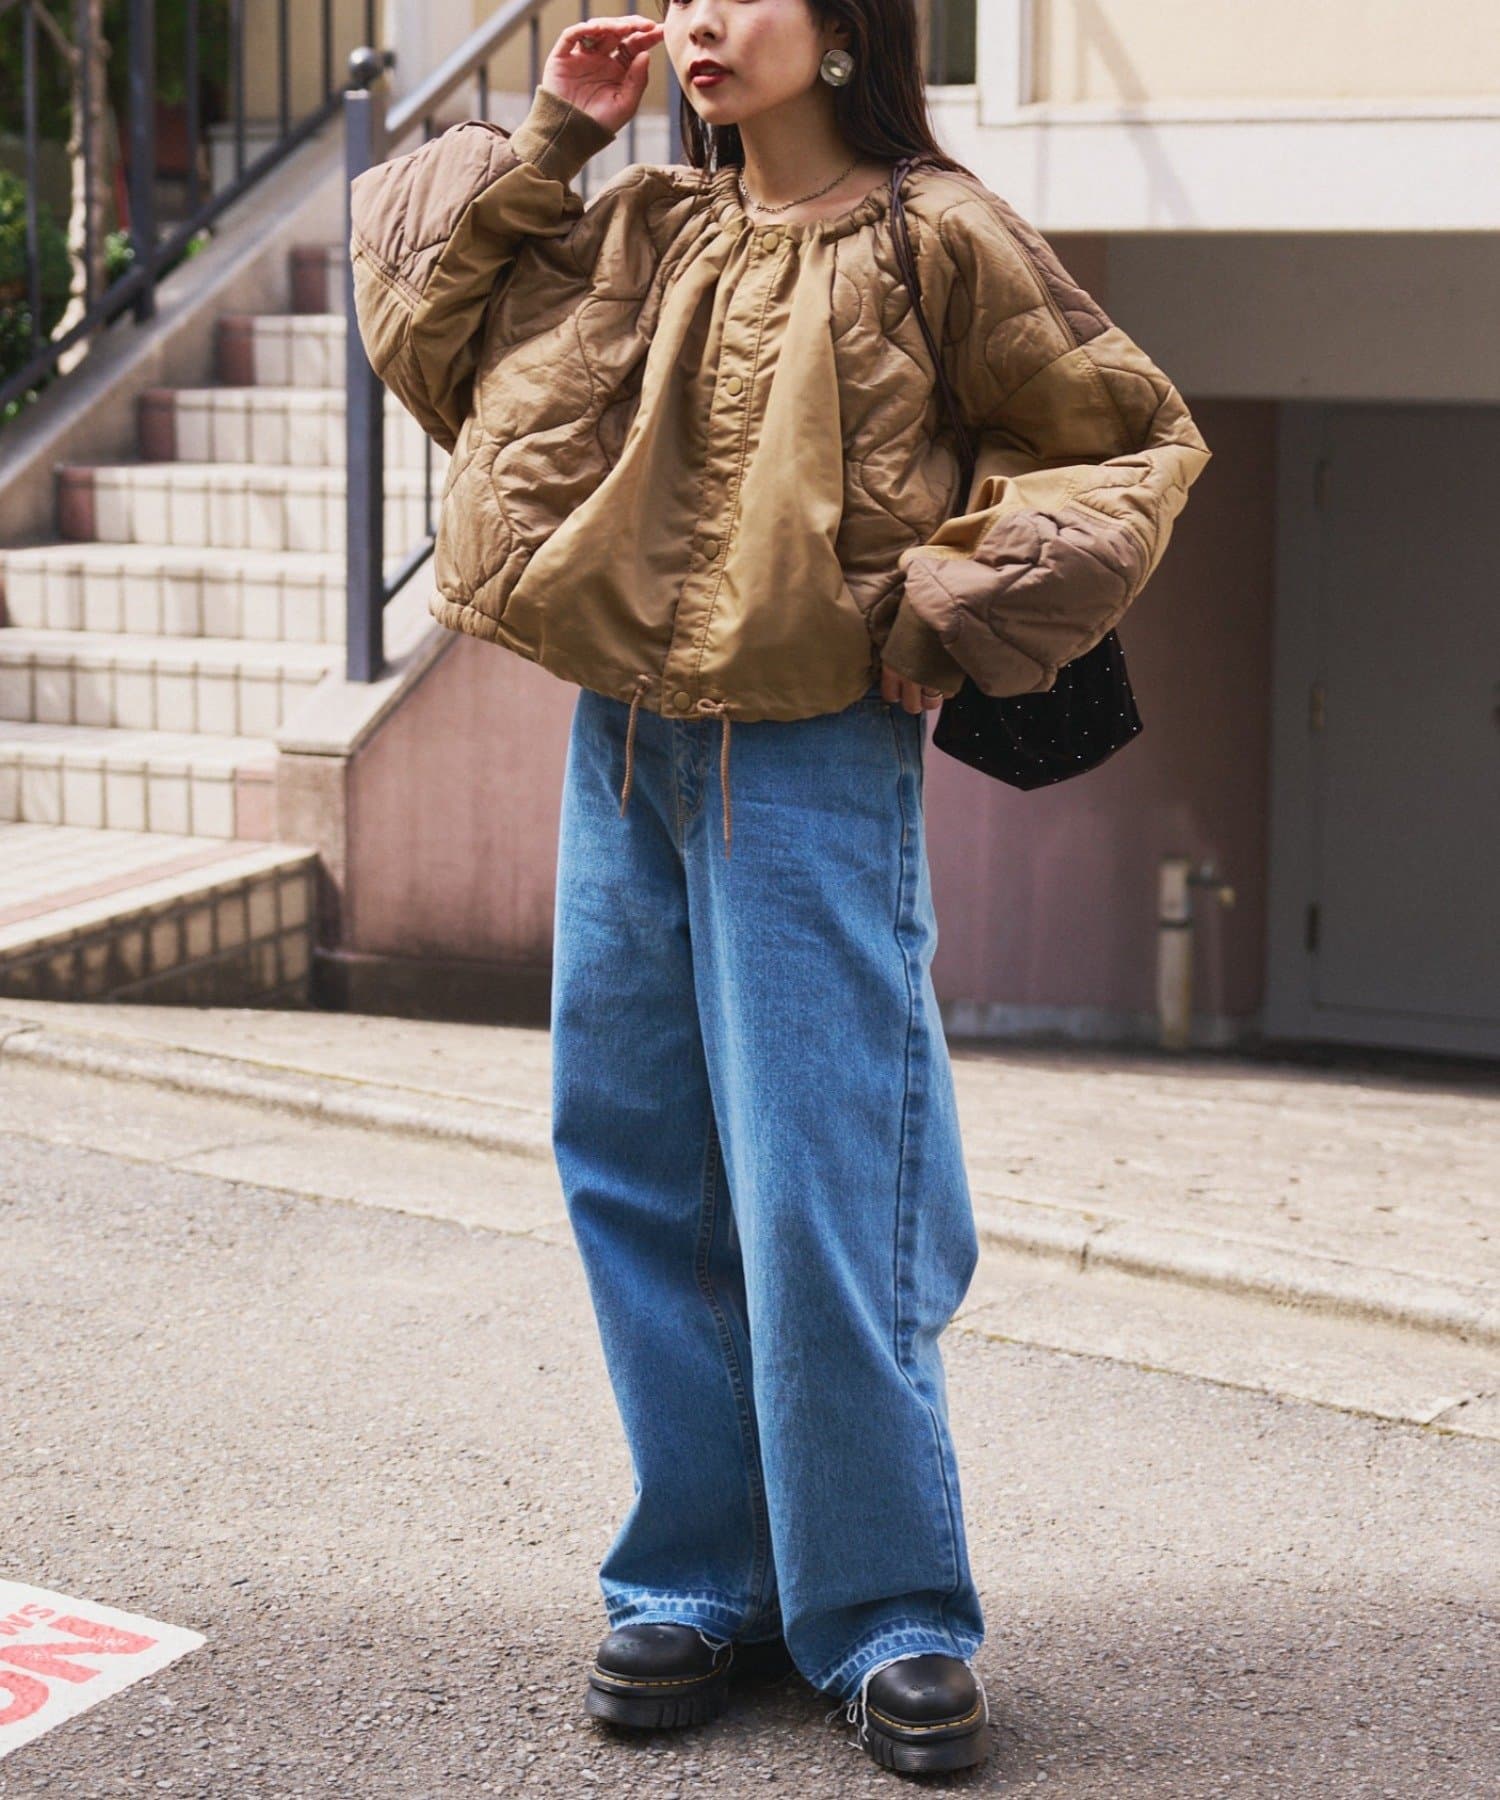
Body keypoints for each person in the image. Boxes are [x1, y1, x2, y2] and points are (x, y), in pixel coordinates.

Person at [349, 0, 1211, 1777]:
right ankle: (698, 1579)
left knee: (828, 1183)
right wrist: (555, 137)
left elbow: (1128, 442)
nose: (699, 18)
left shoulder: (938, 234)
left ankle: (890, 1608)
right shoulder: (646, 224)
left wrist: (953, 599)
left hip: (813, 756)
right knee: (636, 1162)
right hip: (623, 744)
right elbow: (433, 344)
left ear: (841, 35)